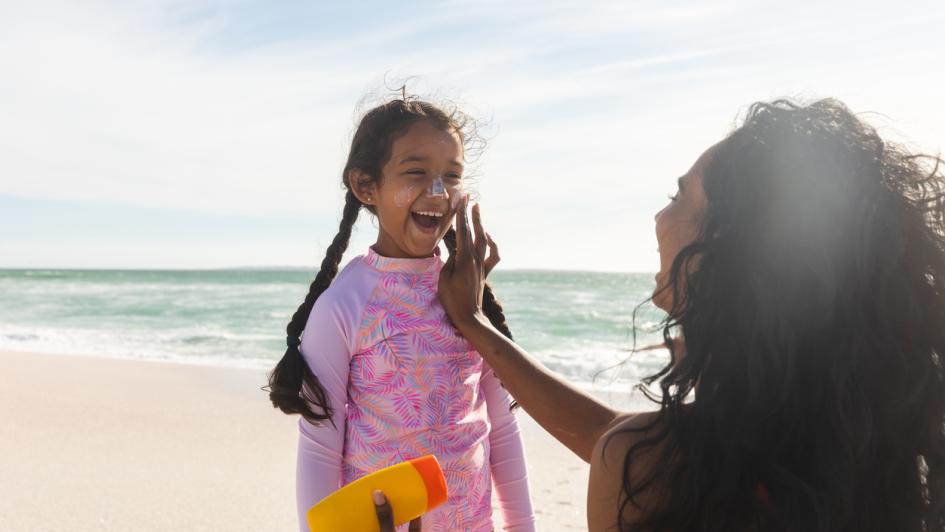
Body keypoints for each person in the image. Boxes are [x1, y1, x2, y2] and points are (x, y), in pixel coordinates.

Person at [436, 99, 945, 531]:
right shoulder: (882, 444)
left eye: (679, 196)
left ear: (726, 248)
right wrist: (476, 326)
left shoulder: (657, 468)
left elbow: (631, 449)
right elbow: (614, 436)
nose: (660, 217)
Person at [267, 97, 536, 531]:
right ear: (365, 186)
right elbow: (320, 447)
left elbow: (501, 427)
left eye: (451, 176)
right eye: (416, 172)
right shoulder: (345, 304)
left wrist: (523, 526)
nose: (438, 192)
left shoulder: (466, 295)